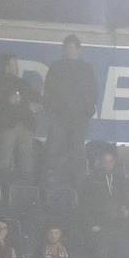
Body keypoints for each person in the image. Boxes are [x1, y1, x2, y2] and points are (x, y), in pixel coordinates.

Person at [43, 35, 97, 182]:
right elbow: (48, 90)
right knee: (54, 148)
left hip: (78, 118)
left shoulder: (86, 68)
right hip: (59, 117)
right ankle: (50, 179)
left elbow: (92, 91)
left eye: (72, 47)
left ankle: (77, 182)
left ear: (79, 50)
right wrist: (52, 111)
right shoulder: (56, 67)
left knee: (77, 150)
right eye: (67, 47)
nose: (69, 50)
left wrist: (87, 111)